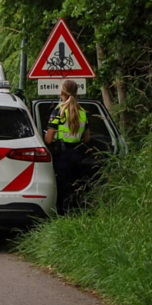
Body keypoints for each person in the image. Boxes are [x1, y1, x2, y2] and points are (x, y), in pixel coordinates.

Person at [44, 79, 90, 213]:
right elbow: (86, 139)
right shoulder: (83, 112)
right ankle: (74, 211)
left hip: (61, 155)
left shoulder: (58, 112)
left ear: (62, 92)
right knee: (74, 183)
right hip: (77, 154)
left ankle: (62, 212)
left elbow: (49, 138)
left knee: (62, 185)